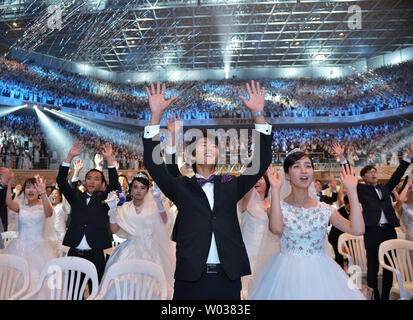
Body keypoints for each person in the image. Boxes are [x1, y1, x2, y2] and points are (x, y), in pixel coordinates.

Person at [143, 80, 273, 300]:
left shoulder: (231, 183)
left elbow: (260, 162)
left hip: (228, 275)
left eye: (212, 145)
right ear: (193, 155)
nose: (208, 148)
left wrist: (258, 114)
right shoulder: (180, 186)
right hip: (191, 277)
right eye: (202, 145)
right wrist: (155, 117)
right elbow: (154, 164)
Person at [247, 153, 366, 300]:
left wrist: (353, 191)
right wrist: (276, 190)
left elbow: (358, 229)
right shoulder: (277, 207)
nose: (304, 171)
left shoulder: (325, 209)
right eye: (296, 166)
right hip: (285, 275)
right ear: (287, 175)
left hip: (322, 274)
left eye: (308, 166)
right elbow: (276, 229)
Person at [335, 141, 413, 300]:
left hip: (389, 229)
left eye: (375, 171)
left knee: (390, 266)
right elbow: (350, 174)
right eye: (369, 172)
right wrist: (342, 158)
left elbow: (399, 172)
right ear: (363, 177)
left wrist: (410, 155)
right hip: (372, 230)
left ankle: (385, 296)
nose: (373, 173)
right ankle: (374, 295)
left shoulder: (385, 188)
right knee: (372, 264)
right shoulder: (362, 189)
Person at [101, 173, 175, 299]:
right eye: (135, 187)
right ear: (131, 189)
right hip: (129, 249)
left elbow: (165, 223)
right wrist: (113, 212)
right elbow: (114, 230)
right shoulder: (124, 207)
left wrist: (160, 204)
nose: (138, 191)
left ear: (147, 190)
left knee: (152, 287)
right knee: (123, 284)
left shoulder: (154, 207)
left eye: (142, 188)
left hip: (151, 250)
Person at [56, 141, 120, 285]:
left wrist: (109, 159)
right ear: (85, 181)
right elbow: (61, 181)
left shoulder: (105, 198)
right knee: (73, 291)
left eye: (96, 179)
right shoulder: (76, 196)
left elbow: (115, 184)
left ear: (102, 184)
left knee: (96, 292)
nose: (92, 181)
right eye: (89, 178)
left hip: (95, 254)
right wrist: (69, 156)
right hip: (74, 252)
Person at [3, 172, 57, 298]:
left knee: (38, 280)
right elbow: (8, 202)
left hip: (39, 249)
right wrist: (9, 182)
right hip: (19, 247)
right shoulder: (20, 207)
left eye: (34, 187)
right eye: (28, 187)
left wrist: (43, 193)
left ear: (38, 190)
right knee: (16, 281)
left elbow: (49, 213)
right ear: (24, 190)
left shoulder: (43, 206)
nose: (30, 190)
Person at [239, 172, 280, 298]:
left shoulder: (273, 205)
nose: (257, 181)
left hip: (269, 253)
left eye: (261, 178)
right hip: (248, 253)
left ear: (267, 183)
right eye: (254, 179)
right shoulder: (246, 201)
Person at [328, 195, 351, 268]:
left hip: (346, 237)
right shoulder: (340, 213)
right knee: (339, 257)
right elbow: (340, 230)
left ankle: (349, 272)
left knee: (349, 257)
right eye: (350, 206)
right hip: (335, 237)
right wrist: (344, 244)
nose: (352, 208)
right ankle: (340, 272)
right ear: (346, 204)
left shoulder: (354, 211)